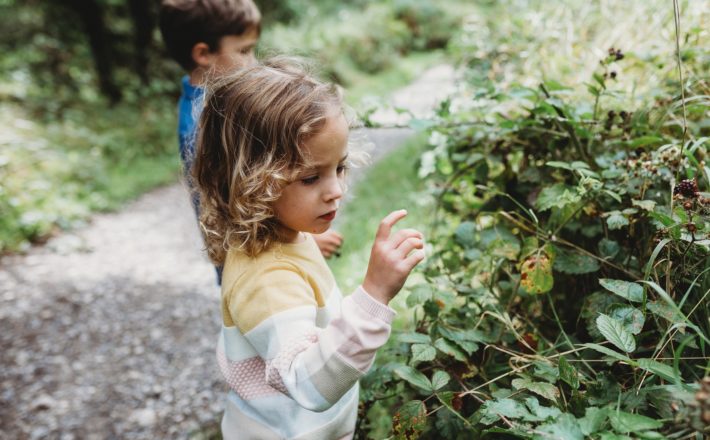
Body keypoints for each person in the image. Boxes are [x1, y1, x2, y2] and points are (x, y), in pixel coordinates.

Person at [191, 57, 426, 439]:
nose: (336, 190)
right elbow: (305, 380)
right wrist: (374, 294)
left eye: (340, 167)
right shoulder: (268, 279)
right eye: (311, 177)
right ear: (253, 183)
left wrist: (306, 243)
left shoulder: (279, 235)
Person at [158, 0, 342, 285]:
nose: (252, 61)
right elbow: (230, 206)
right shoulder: (207, 121)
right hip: (257, 265)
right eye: (243, 51)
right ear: (203, 53)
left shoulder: (213, 105)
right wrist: (292, 243)